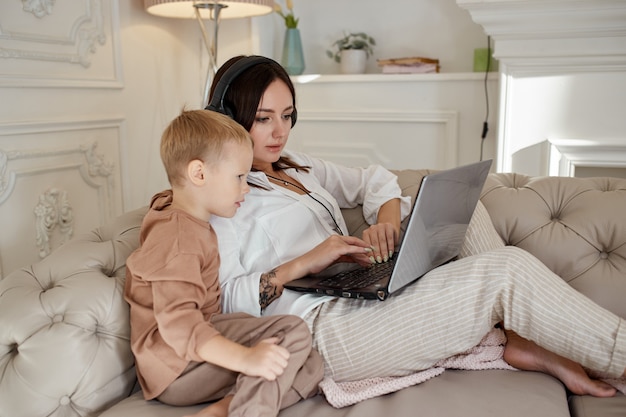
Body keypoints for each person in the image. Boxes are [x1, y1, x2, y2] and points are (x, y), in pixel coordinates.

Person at [207, 55, 626, 399]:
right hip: (319, 333)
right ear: (229, 116)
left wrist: (386, 223)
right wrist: (307, 262)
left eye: (287, 115)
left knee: (470, 211)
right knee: (507, 270)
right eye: (263, 118)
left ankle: (518, 339)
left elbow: (375, 180)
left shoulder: (297, 165)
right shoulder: (221, 196)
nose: (279, 131)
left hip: (357, 293)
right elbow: (226, 301)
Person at [124, 109, 324, 417]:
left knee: (310, 363)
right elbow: (178, 324)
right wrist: (245, 359)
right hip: (174, 366)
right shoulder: (177, 238)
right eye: (239, 177)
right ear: (199, 174)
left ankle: (225, 408)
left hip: (197, 349)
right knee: (292, 332)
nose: (246, 188)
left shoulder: (187, 216)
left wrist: (252, 354)